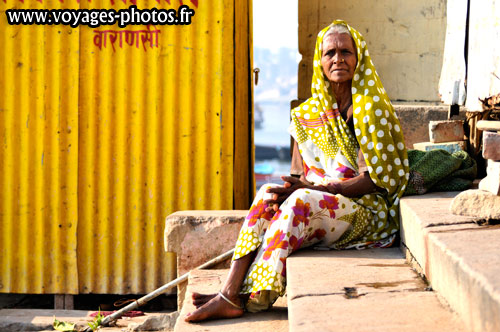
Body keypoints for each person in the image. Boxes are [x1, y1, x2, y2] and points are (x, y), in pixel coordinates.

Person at [184, 20, 409, 323]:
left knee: (301, 201)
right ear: (320, 61)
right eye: (330, 53)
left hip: (368, 214)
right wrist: (294, 188)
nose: (338, 59)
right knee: (267, 193)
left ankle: (249, 297)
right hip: (325, 204)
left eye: (346, 52)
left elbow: (378, 181)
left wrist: (320, 189)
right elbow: (298, 174)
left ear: (359, 58)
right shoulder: (308, 114)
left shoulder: (370, 110)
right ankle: (230, 289)